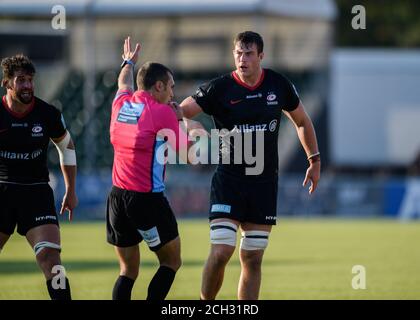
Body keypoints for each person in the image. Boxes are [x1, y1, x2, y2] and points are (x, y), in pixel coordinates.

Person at [178, 31, 321, 300]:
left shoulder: (278, 85)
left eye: (248, 54)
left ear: (261, 56)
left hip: (263, 183)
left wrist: (314, 160)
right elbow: (181, 110)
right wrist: (189, 124)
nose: (242, 59)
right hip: (229, 180)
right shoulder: (219, 88)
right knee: (221, 251)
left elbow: (302, 121)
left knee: (253, 258)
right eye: (238, 53)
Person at [107, 37, 205, 300]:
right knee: (171, 262)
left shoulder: (121, 104)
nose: (173, 94)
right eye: (171, 87)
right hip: (147, 200)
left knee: (127, 270)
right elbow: (191, 157)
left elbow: (123, 82)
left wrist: (128, 62)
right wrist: (186, 122)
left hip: (116, 198)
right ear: (158, 86)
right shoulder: (160, 112)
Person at [0, 54, 78, 300]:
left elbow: (66, 147)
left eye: (30, 80)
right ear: (7, 83)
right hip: (1, 191)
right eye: (20, 80)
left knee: (50, 259)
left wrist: (70, 189)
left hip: (36, 192)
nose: (27, 86)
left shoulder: (47, 113)